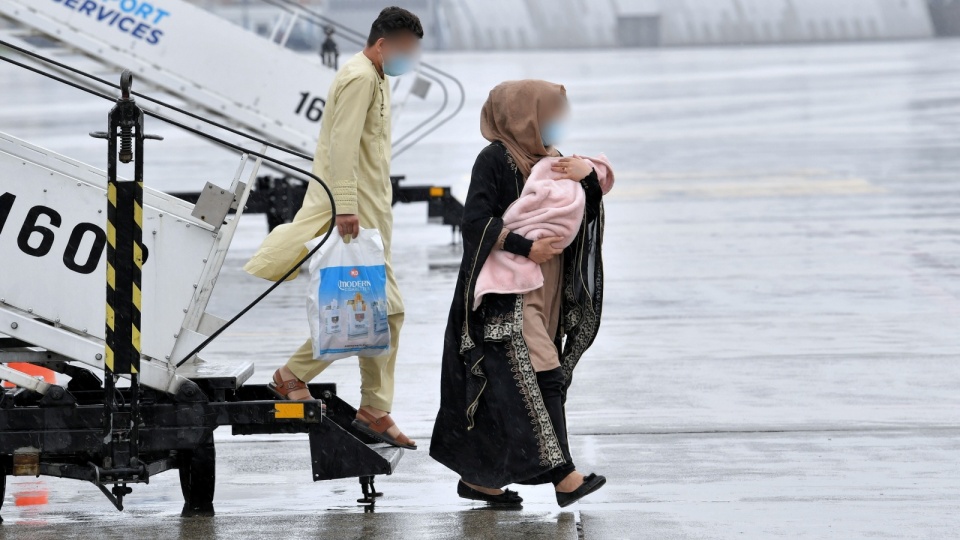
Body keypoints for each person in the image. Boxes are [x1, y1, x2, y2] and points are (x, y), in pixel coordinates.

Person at [243, 6, 423, 450]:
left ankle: (368, 405)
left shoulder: (375, 76)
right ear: (383, 44)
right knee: (380, 311)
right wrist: (345, 206)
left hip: (371, 214)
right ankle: (311, 382)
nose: (408, 60)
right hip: (352, 215)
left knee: (376, 313)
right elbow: (342, 145)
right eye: (404, 50)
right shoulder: (360, 76)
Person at [430, 80, 608, 507]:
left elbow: (584, 212)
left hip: (547, 287)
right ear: (523, 116)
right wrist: (525, 247)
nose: (554, 125)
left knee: (506, 386)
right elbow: (474, 221)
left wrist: (589, 182)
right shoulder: (494, 160)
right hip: (507, 293)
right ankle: (565, 477)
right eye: (547, 115)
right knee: (543, 373)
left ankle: (481, 481)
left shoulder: (557, 161)